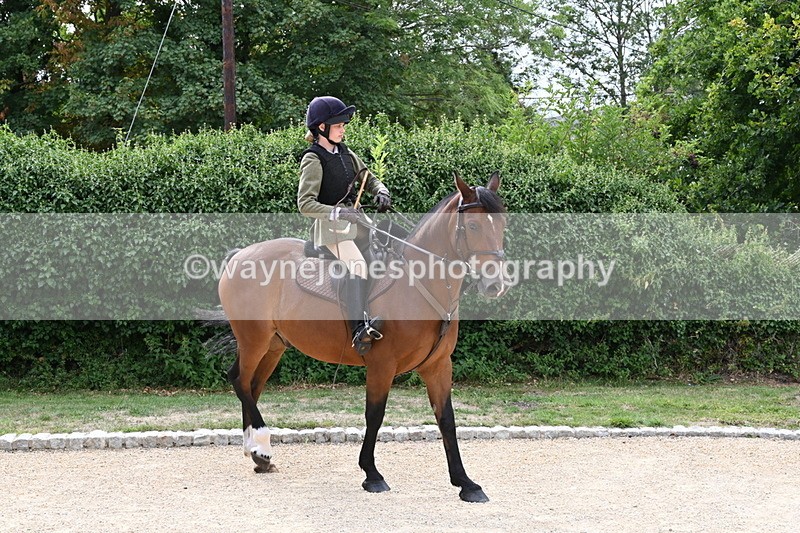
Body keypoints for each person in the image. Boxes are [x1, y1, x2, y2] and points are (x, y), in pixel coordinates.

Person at [297, 96, 392, 355]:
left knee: (385, 257)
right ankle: (358, 330)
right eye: (338, 124)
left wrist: (381, 191)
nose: (343, 128)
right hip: (332, 232)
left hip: (359, 224)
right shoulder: (313, 160)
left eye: (342, 124)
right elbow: (305, 204)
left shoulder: (346, 153)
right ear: (321, 128)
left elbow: (368, 178)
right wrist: (338, 212)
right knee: (358, 266)